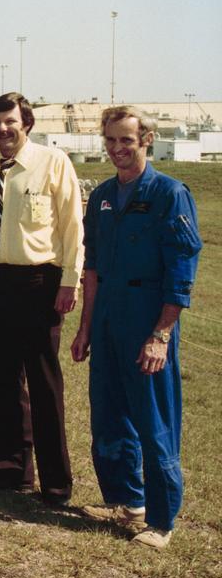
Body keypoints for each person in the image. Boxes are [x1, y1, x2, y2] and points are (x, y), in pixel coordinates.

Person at [71, 106, 201, 550]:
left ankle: (162, 520)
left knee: (153, 418)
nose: (117, 149)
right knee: (108, 413)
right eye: (110, 140)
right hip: (107, 316)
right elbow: (92, 268)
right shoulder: (104, 195)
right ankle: (127, 501)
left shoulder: (168, 193)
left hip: (146, 316)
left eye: (126, 140)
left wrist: (161, 335)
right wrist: (85, 329)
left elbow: (181, 272)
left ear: (145, 139)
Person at [0, 93, 83, 505]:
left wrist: (70, 282)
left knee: (43, 383)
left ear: (26, 124)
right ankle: (10, 470)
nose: (3, 129)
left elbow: (72, 229)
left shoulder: (53, 163)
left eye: (10, 121)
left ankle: (55, 483)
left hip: (40, 282)